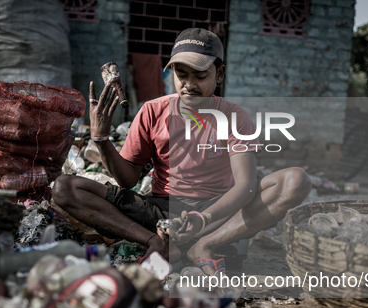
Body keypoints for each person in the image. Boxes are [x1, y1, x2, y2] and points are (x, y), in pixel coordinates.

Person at [53, 28, 311, 276]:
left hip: (217, 212)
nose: (189, 84)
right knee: (65, 187)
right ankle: (159, 242)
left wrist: (202, 219)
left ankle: (206, 244)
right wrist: (100, 139)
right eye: (182, 74)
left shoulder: (234, 117)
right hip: (161, 211)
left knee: (295, 180)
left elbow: (245, 187)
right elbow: (128, 180)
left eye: (200, 76)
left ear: (219, 75)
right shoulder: (152, 111)